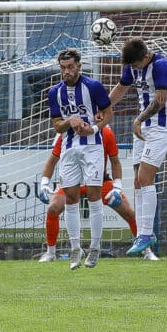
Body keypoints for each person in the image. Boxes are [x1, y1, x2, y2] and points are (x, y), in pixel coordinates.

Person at [107, 37, 167, 257]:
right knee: (137, 180)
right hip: (143, 128)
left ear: (146, 57)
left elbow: (161, 99)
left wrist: (138, 119)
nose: (134, 69)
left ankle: (147, 233)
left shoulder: (161, 64)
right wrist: (103, 108)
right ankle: (142, 234)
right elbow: (121, 88)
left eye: (136, 65)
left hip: (161, 127)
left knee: (146, 177)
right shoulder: (132, 65)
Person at [37, 125, 145, 261]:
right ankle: (51, 253)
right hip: (72, 181)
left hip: (99, 180)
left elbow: (115, 161)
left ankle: (146, 250)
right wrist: (44, 183)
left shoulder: (106, 132)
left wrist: (117, 187)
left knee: (129, 212)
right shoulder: (68, 133)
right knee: (53, 209)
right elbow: (52, 160)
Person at [47, 48, 113, 269]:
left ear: (79, 66)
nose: (66, 71)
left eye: (70, 66)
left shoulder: (93, 86)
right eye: (63, 67)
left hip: (93, 146)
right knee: (71, 199)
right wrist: (71, 121)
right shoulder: (54, 92)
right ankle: (76, 248)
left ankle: (94, 248)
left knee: (94, 196)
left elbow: (108, 113)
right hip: (69, 148)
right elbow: (57, 126)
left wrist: (93, 128)